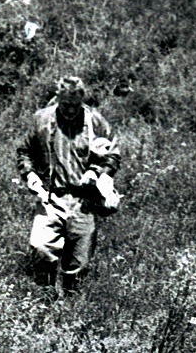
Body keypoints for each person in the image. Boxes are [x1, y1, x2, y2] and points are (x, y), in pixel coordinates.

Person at [16, 75, 121, 291]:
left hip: (84, 201)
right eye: (65, 104)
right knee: (41, 248)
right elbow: (24, 151)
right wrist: (31, 176)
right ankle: (44, 301)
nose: (70, 110)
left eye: (75, 105)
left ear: (82, 100)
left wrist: (101, 174)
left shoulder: (95, 122)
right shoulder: (42, 119)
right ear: (57, 98)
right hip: (52, 196)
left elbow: (112, 154)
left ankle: (72, 308)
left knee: (79, 263)